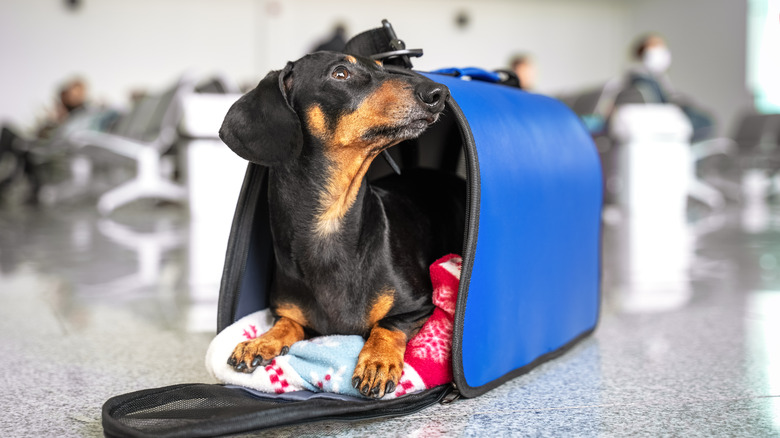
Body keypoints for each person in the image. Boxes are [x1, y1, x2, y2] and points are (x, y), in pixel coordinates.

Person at [615, 33, 715, 142]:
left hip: (668, 120)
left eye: (662, 46)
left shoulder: (655, 78)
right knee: (705, 122)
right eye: (655, 46)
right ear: (641, 51)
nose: (661, 50)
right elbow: (659, 105)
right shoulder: (641, 80)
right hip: (662, 121)